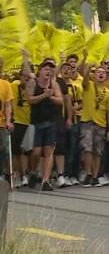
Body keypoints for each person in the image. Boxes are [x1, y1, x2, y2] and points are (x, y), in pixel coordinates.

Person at [25, 55, 63, 191]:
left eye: (51, 69)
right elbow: (29, 100)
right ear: (40, 70)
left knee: (49, 151)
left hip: (51, 121)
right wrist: (43, 96)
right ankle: (33, 171)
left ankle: (45, 181)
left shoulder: (54, 84)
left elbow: (60, 100)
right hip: (36, 122)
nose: (49, 71)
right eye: (46, 69)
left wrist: (51, 96)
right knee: (36, 152)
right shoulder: (33, 82)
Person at [80, 63, 109, 187]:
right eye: (98, 72)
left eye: (103, 73)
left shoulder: (108, 92)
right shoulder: (89, 86)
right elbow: (84, 82)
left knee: (98, 151)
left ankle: (95, 176)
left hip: (101, 124)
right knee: (87, 148)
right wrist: (88, 68)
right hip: (88, 121)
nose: (100, 74)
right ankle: (88, 173)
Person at [10, 68, 31, 187]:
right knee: (16, 151)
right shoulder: (14, 85)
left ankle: (25, 175)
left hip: (30, 122)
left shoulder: (32, 87)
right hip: (17, 122)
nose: (26, 78)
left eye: (28, 76)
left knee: (26, 151)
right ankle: (18, 174)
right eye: (24, 76)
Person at [0, 57, 14, 183]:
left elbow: (8, 104)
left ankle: (1, 173)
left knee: (4, 148)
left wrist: (9, 120)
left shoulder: (5, 84)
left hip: (1, 123)